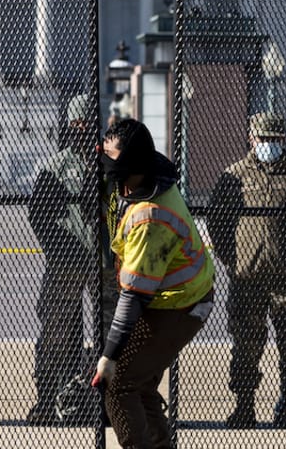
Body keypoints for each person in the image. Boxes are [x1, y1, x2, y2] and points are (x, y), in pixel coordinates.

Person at [91, 117, 216, 449]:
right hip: (166, 298)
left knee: (119, 384)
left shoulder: (151, 217)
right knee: (141, 383)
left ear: (130, 164)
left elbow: (133, 297)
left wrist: (109, 356)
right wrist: (102, 153)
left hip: (180, 303)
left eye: (110, 157)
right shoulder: (140, 176)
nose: (104, 163)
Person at [207, 111, 286, 428]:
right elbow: (216, 221)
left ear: (283, 139)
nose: (268, 144)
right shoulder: (235, 175)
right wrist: (232, 259)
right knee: (246, 347)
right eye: (263, 138)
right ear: (252, 138)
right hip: (247, 279)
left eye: (274, 139)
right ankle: (244, 407)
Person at [26, 93, 114, 423]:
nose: (81, 130)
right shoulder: (56, 167)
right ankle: (48, 399)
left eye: (87, 124)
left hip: (104, 262)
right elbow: (38, 215)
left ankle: (109, 401)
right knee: (56, 330)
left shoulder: (111, 164)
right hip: (67, 261)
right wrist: (58, 248)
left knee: (111, 332)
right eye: (75, 124)